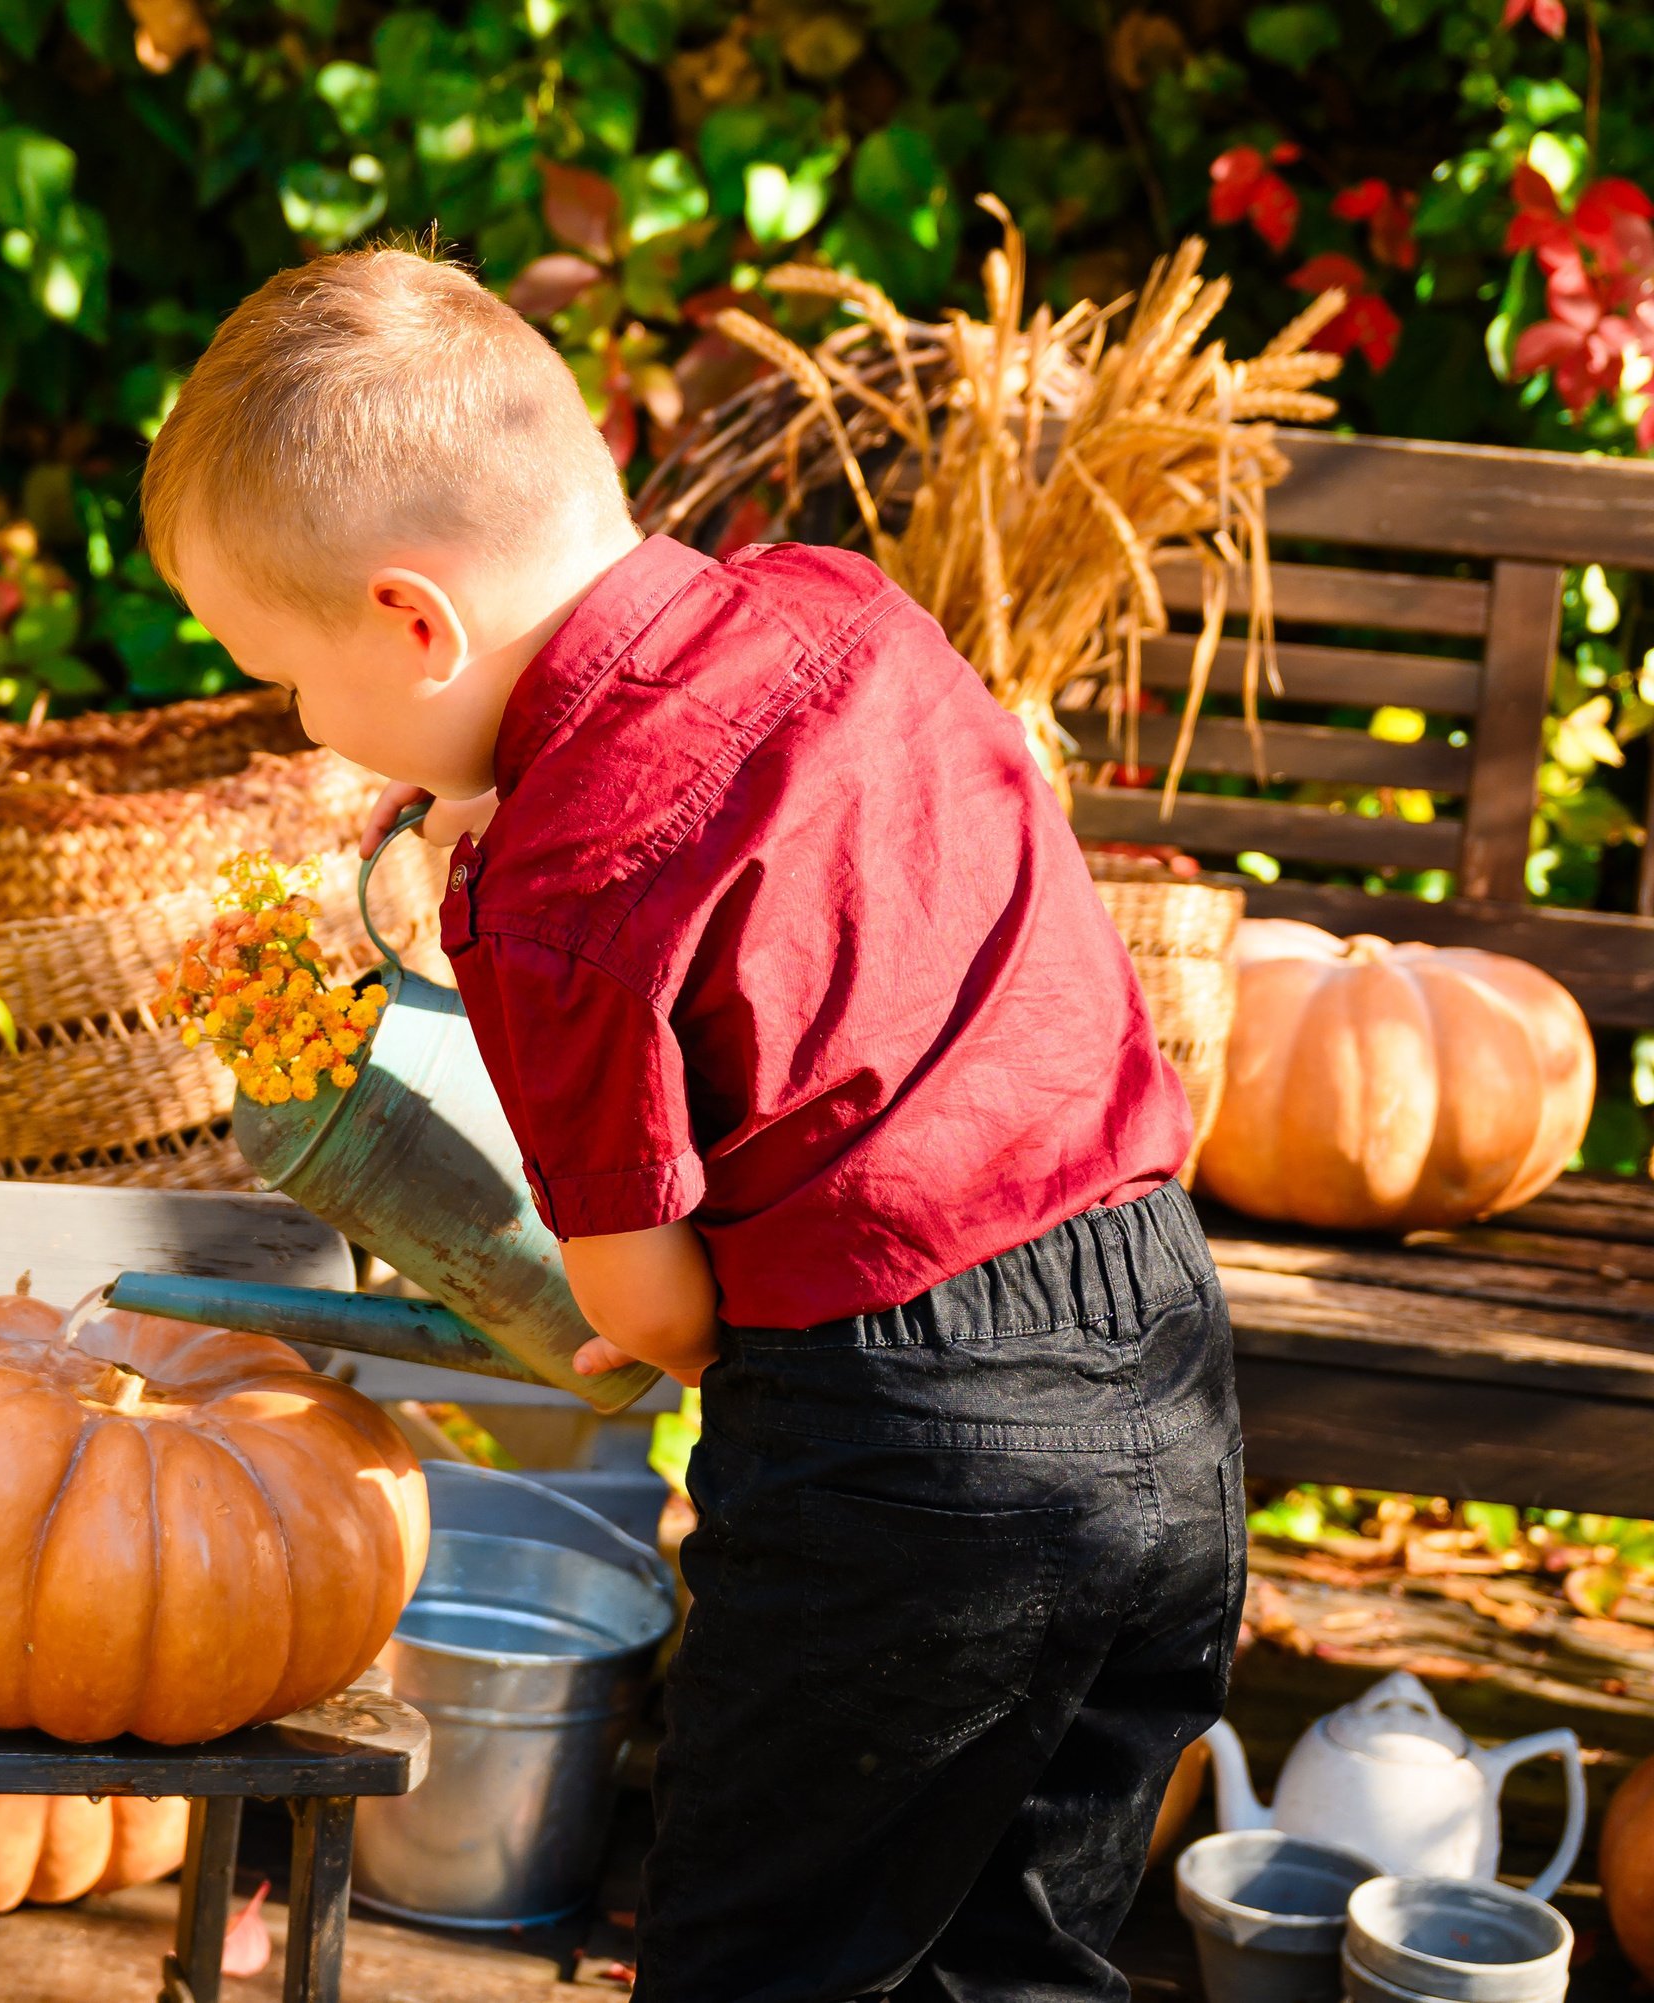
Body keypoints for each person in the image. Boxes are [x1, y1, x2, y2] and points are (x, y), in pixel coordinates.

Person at [139, 243, 1240, 2003]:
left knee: (758, 1965)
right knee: (1011, 1965)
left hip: (902, 1454)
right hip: (1163, 1359)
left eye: (283, 674)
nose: (303, 725)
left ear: (414, 623)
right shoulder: (845, 608)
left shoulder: (551, 885)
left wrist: (616, 1311)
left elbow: (651, 1308)